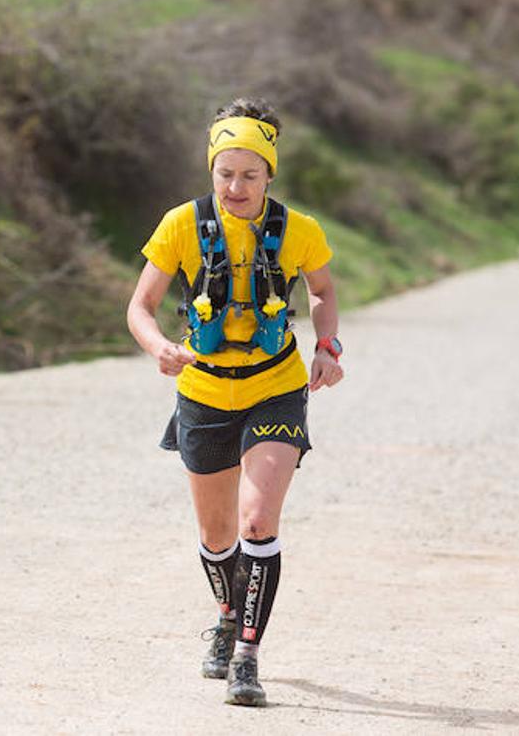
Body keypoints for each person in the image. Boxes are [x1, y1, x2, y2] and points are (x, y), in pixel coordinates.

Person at [126, 97, 344, 707]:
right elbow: (138, 307)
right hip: (201, 392)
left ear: (270, 174)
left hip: (275, 386)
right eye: (226, 173)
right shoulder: (179, 225)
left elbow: (323, 291)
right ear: (211, 171)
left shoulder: (300, 231)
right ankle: (226, 616)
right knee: (218, 534)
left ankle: (247, 655)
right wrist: (159, 348)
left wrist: (328, 345)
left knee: (256, 523)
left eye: (250, 174)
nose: (237, 186)